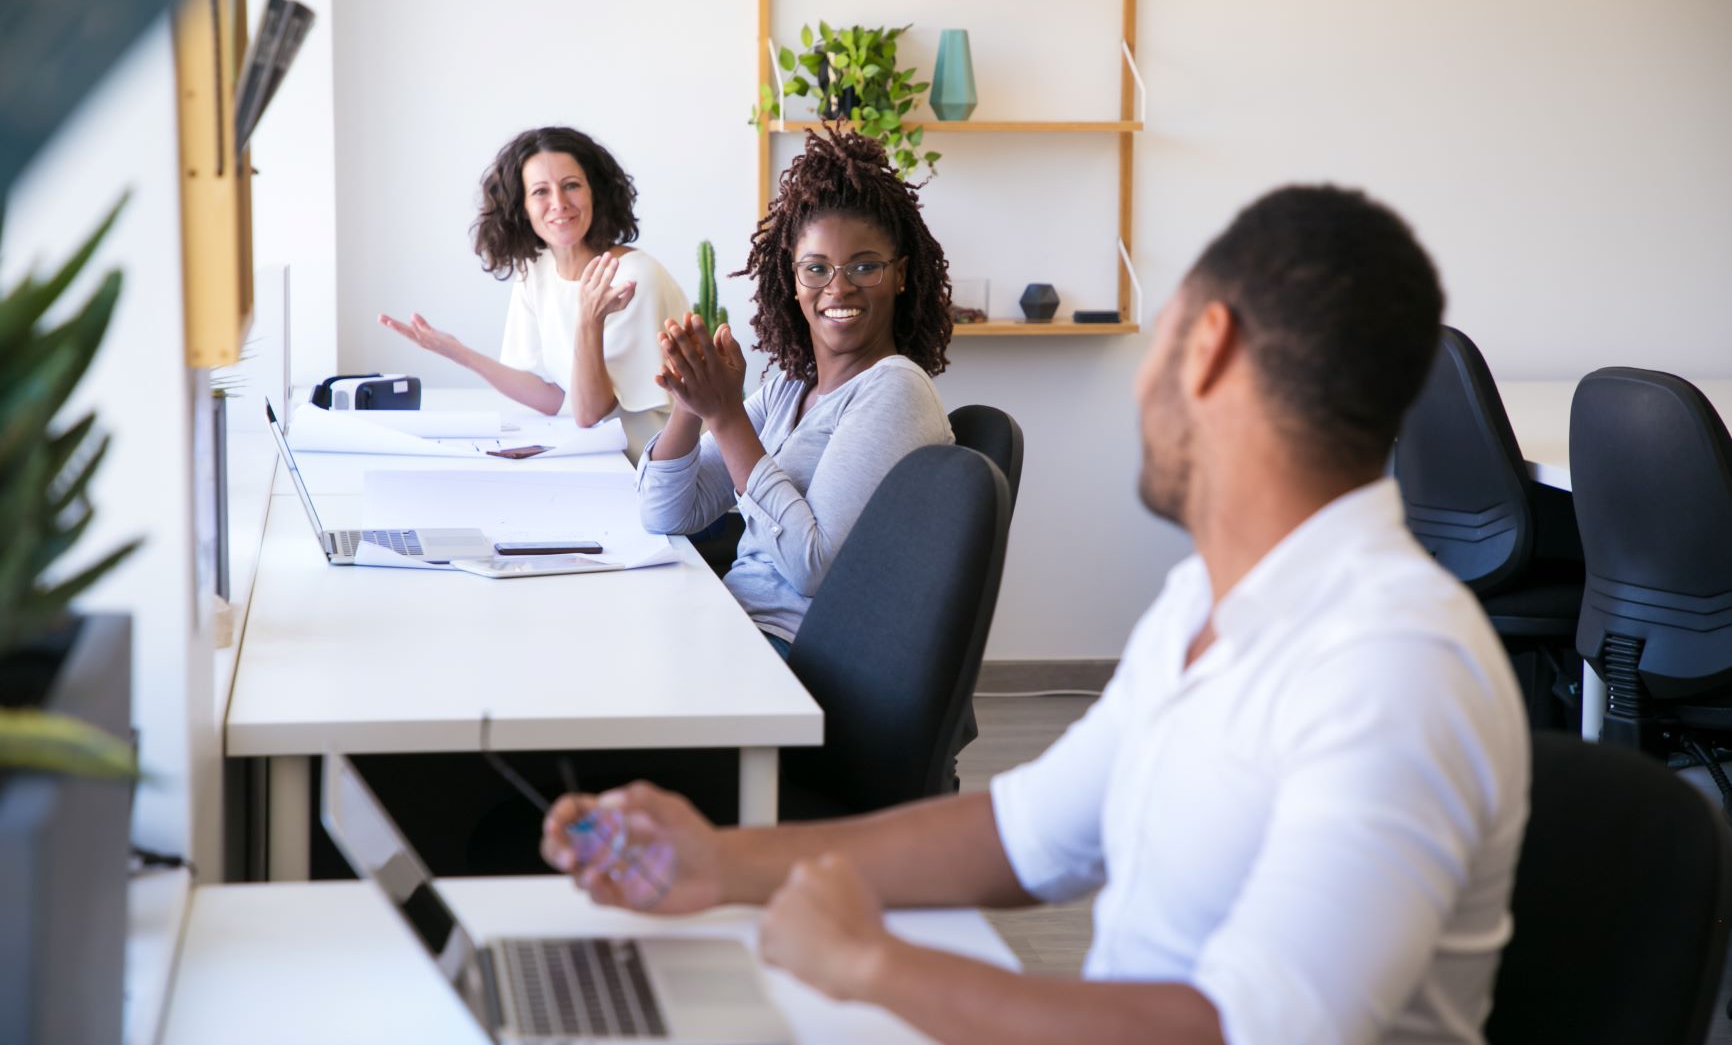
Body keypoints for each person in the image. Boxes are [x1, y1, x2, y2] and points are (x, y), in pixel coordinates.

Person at [543, 185, 1531, 1045]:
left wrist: (873, 964)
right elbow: (1027, 834)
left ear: (1210, 348)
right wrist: (719, 860)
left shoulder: (1395, 666)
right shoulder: (1208, 601)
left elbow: (1242, 1030)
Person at [636, 129, 955, 653]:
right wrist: (691, 406)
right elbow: (665, 513)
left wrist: (728, 417)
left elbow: (813, 566)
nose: (839, 286)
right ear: (794, 278)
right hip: (735, 625)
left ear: (899, 275)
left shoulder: (895, 390)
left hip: (795, 653)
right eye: (817, 268)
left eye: (864, 266)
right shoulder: (790, 387)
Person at [378, 126, 688, 456]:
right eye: (540, 191)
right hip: (600, 460)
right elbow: (552, 396)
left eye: (571, 186)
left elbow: (590, 412)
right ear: (521, 206)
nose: (559, 203)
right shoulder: (535, 270)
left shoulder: (634, 276)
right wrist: (460, 353)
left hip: (658, 471)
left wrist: (587, 320)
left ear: (595, 192)